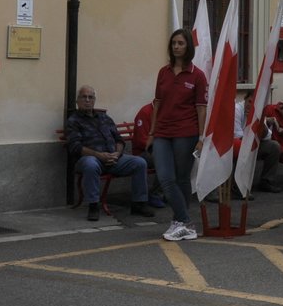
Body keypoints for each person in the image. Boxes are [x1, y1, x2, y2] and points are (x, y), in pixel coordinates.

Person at [148, 28, 208, 243]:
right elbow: (157, 103)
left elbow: (201, 108)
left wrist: (201, 138)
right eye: (174, 43)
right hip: (163, 132)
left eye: (181, 43)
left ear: (188, 47)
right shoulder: (163, 72)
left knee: (182, 178)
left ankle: (178, 222)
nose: (176, 47)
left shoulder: (197, 75)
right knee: (165, 178)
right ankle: (185, 222)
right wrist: (152, 132)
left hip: (186, 133)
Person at [65, 86, 154, 221]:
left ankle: (139, 204)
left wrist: (116, 154)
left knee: (140, 162)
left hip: (114, 158)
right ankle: (93, 206)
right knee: (90, 164)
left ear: (94, 100)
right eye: (84, 97)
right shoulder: (73, 121)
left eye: (91, 97)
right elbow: (75, 147)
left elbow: (119, 139)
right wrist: (100, 155)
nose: (87, 100)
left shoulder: (104, 117)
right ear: (77, 101)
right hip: (90, 159)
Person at [235, 94, 283, 193]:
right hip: (238, 144)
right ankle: (238, 187)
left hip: (252, 143)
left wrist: (257, 121)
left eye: (254, 104)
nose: (251, 105)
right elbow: (237, 135)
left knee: (274, 146)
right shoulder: (237, 109)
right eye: (249, 101)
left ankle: (266, 181)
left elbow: (267, 136)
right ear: (244, 99)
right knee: (241, 147)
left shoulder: (258, 111)